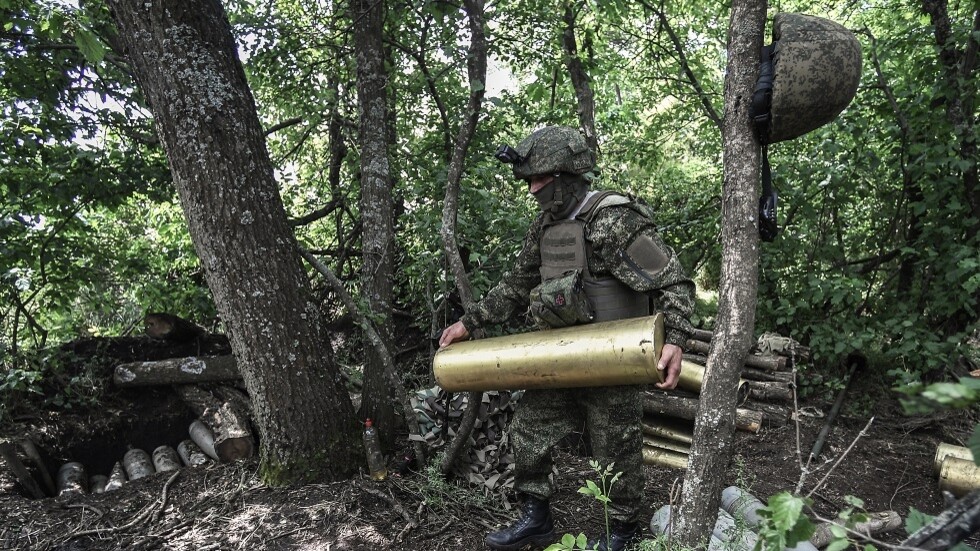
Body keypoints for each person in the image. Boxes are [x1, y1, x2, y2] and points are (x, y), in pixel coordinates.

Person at [438, 125, 695, 551]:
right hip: (560, 356)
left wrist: (677, 338)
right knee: (528, 431)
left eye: (541, 179)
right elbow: (515, 285)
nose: (533, 189)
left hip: (615, 359)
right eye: (530, 180)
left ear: (569, 176)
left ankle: (622, 532)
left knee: (617, 450)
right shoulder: (543, 228)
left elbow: (674, 281)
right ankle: (536, 518)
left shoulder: (613, 220)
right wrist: (470, 323)